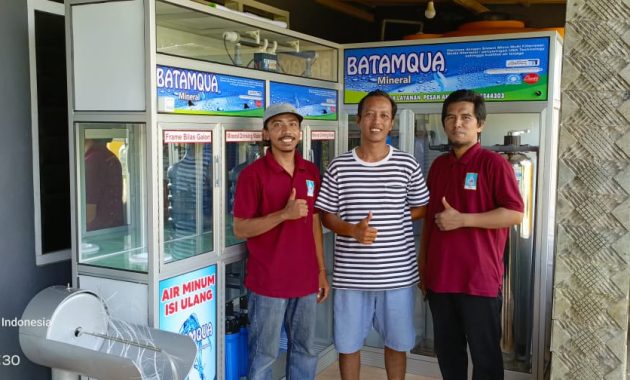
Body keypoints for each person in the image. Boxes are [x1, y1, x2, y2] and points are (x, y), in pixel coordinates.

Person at [315, 89, 429, 380]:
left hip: (397, 276)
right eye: (369, 114)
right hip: (351, 277)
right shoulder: (339, 167)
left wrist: (395, 218)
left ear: (391, 123)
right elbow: (326, 215)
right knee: (348, 345)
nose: (376, 121)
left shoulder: (407, 164)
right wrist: (352, 230)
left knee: (397, 344)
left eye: (384, 115)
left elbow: (421, 206)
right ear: (358, 120)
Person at [419, 89, 524, 380]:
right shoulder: (439, 166)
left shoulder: (494, 164)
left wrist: (463, 220)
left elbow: (515, 213)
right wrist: (424, 267)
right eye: (450, 117)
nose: (457, 123)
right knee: (449, 357)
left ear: (479, 124)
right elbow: (430, 220)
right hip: (441, 281)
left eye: (466, 117)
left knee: (485, 360)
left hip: (479, 282)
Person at [232, 103, 330, 380]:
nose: (286, 131)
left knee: (305, 350)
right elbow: (240, 228)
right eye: (277, 124)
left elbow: (313, 221)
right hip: (268, 283)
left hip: (305, 281)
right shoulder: (252, 175)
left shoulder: (310, 171)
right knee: (264, 355)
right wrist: (284, 214)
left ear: (300, 132)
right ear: (265, 133)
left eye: (292, 124)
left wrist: (321, 272)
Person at [84, 138, 124, 231]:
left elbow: (88, 214)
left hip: (95, 235)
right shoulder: (111, 157)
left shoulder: (91, 161)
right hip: (115, 229)